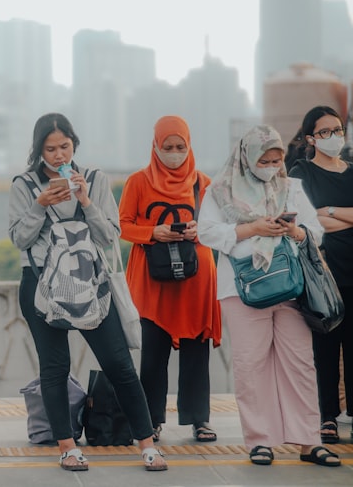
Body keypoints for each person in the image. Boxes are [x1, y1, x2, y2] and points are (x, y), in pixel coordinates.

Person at [7, 113, 167, 471]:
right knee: (55, 368)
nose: (59, 155)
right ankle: (67, 446)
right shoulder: (24, 184)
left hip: (91, 283)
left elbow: (110, 235)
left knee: (119, 364)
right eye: (50, 149)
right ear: (39, 150)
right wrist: (40, 205)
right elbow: (19, 238)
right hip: (42, 286)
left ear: (74, 144)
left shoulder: (94, 179)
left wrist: (86, 201)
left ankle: (147, 443)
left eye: (64, 146)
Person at [198, 124, 341, 468]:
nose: (273, 165)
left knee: (300, 363)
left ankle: (308, 441)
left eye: (277, 159)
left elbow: (315, 231)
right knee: (251, 364)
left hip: (291, 286)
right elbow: (206, 232)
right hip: (243, 289)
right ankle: (260, 441)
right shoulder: (220, 190)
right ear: (248, 157)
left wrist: (294, 230)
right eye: (266, 158)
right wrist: (253, 228)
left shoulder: (290, 188)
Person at [118, 116, 221, 442]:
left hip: (196, 280)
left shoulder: (203, 183)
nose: (174, 153)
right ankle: (151, 421)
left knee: (196, 352)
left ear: (189, 146)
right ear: (155, 147)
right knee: (153, 354)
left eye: (181, 147)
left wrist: (198, 230)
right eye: (168, 147)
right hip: (153, 283)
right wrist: (153, 232)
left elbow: (219, 230)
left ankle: (199, 419)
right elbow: (120, 226)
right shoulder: (138, 182)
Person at [287, 106, 353, 444]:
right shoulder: (301, 172)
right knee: (325, 348)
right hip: (322, 272)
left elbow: (322, 218)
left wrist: (327, 211)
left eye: (338, 129)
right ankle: (326, 417)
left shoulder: (352, 170)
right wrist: (342, 217)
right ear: (312, 138)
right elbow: (307, 221)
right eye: (325, 132)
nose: (334, 137)